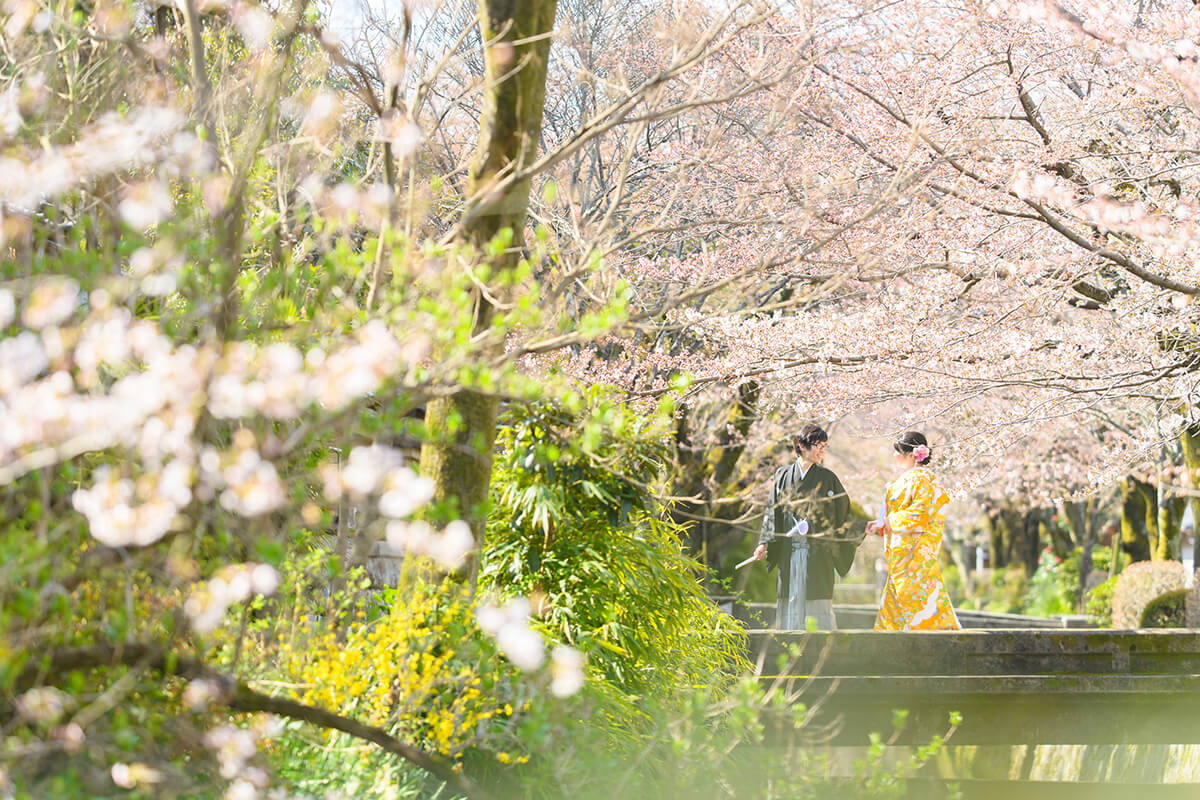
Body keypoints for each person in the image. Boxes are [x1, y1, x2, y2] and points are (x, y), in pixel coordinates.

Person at [750, 424, 861, 630]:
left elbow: (843, 513)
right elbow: (772, 510)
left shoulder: (828, 478)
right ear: (801, 446)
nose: (822, 451)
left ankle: (818, 646)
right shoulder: (782, 475)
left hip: (817, 554)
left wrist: (862, 527)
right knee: (790, 597)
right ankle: (789, 644)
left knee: (817, 599)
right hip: (789, 552)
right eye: (818, 445)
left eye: (825, 446)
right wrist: (764, 543)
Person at [867, 431, 960, 631]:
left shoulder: (923, 479)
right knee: (901, 595)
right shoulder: (907, 480)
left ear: (911, 454)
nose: (894, 456)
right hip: (904, 552)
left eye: (897, 452)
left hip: (914, 552)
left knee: (914, 597)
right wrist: (881, 523)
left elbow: (919, 515)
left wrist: (887, 522)